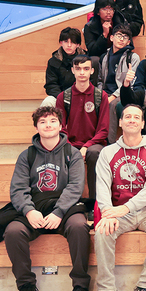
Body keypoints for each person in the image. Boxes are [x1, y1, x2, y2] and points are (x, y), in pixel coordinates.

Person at [2, 106, 90, 291]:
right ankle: (26, 286)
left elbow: (75, 187)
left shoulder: (72, 153)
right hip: (36, 206)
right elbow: (18, 189)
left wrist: (59, 211)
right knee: (13, 231)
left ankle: (80, 286)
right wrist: (28, 210)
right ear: (36, 127)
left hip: (65, 208)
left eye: (52, 121)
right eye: (42, 122)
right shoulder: (27, 155)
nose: (48, 125)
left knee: (79, 227)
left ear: (61, 125)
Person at [89, 104, 146, 291]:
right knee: (102, 231)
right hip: (117, 209)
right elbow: (102, 186)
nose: (132, 120)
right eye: (128, 117)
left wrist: (125, 209)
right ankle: (106, 289)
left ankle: (144, 286)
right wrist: (108, 213)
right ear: (120, 122)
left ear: (143, 123)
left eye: (137, 117)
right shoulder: (108, 152)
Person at [55, 55, 110, 201]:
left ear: (92, 71)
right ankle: (67, 202)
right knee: (62, 153)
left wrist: (86, 146)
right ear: (73, 70)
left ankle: (94, 202)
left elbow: (103, 130)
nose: (82, 72)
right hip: (70, 143)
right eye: (78, 69)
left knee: (93, 154)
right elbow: (60, 128)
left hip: (94, 144)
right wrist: (71, 146)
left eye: (86, 69)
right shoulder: (63, 97)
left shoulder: (101, 96)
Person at [97, 24, 140, 142]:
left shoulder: (132, 57)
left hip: (123, 92)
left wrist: (113, 96)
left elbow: (131, 82)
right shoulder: (104, 57)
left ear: (128, 42)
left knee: (112, 104)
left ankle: (108, 142)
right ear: (111, 38)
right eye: (119, 35)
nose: (121, 39)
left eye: (125, 37)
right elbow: (100, 80)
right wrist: (100, 94)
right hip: (106, 91)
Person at [42, 27, 86, 108]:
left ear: (78, 45)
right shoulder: (53, 61)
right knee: (48, 102)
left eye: (72, 42)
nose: (69, 45)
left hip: (82, 96)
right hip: (60, 97)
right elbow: (51, 85)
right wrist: (63, 98)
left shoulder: (86, 60)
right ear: (61, 43)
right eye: (66, 42)